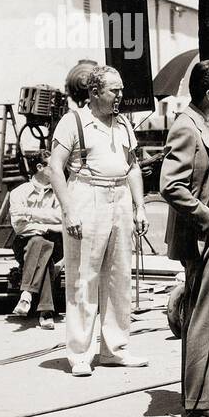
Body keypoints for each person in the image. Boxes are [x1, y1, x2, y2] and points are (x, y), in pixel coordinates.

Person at [47, 65, 149, 376]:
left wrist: (140, 206)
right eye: (114, 91)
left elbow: (132, 167)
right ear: (94, 93)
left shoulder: (123, 124)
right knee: (83, 277)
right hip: (86, 196)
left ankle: (115, 349)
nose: (121, 96)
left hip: (119, 197)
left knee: (118, 278)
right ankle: (80, 353)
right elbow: (55, 167)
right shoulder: (73, 121)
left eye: (121, 90)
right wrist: (69, 210)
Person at [161, 60, 209, 417]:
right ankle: (202, 400)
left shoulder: (200, 123)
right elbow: (170, 185)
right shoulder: (186, 128)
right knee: (206, 315)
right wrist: (207, 216)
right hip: (202, 233)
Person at [7, 150, 64, 330]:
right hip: (24, 244)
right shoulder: (18, 193)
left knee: (42, 244)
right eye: (52, 166)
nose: (58, 169)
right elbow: (19, 226)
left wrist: (31, 214)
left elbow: (64, 219)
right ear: (39, 167)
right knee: (40, 243)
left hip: (56, 243)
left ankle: (27, 295)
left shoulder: (60, 192)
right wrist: (47, 225)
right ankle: (45, 312)